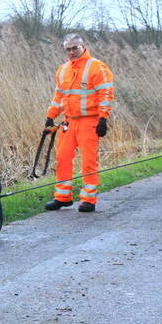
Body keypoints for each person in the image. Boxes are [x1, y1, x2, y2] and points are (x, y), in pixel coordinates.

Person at [42, 33, 115, 213]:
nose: (71, 52)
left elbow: (105, 95)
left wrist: (103, 119)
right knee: (63, 158)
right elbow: (59, 95)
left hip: (89, 122)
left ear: (84, 46)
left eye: (75, 48)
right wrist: (51, 115)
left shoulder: (97, 67)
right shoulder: (63, 69)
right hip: (68, 122)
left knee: (89, 161)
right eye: (68, 49)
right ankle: (62, 197)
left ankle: (88, 200)